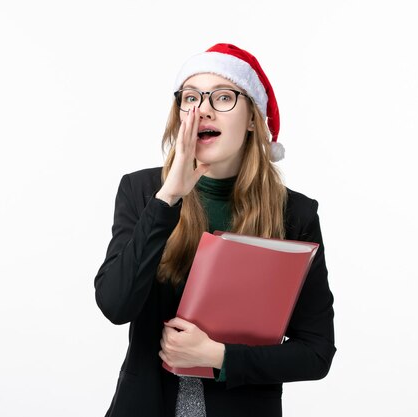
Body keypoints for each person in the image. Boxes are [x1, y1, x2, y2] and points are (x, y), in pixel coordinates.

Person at [94, 43, 336, 417]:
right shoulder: (144, 192)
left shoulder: (296, 213)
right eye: (191, 97)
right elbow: (115, 303)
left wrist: (218, 357)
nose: (203, 108)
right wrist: (169, 198)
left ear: (253, 118)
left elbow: (316, 352)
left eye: (223, 97)